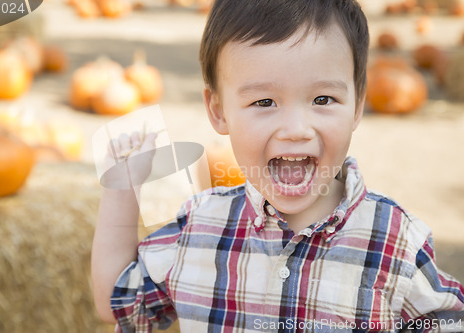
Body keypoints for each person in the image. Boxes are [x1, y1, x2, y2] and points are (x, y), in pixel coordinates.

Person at [91, 0, 464, 331]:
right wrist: (122, 187)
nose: (296, 129)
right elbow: (118, 302)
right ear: (219, 112)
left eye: (323, 98)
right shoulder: (199, 227)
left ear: (357, 104)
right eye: (264, 102)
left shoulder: (396, 240)